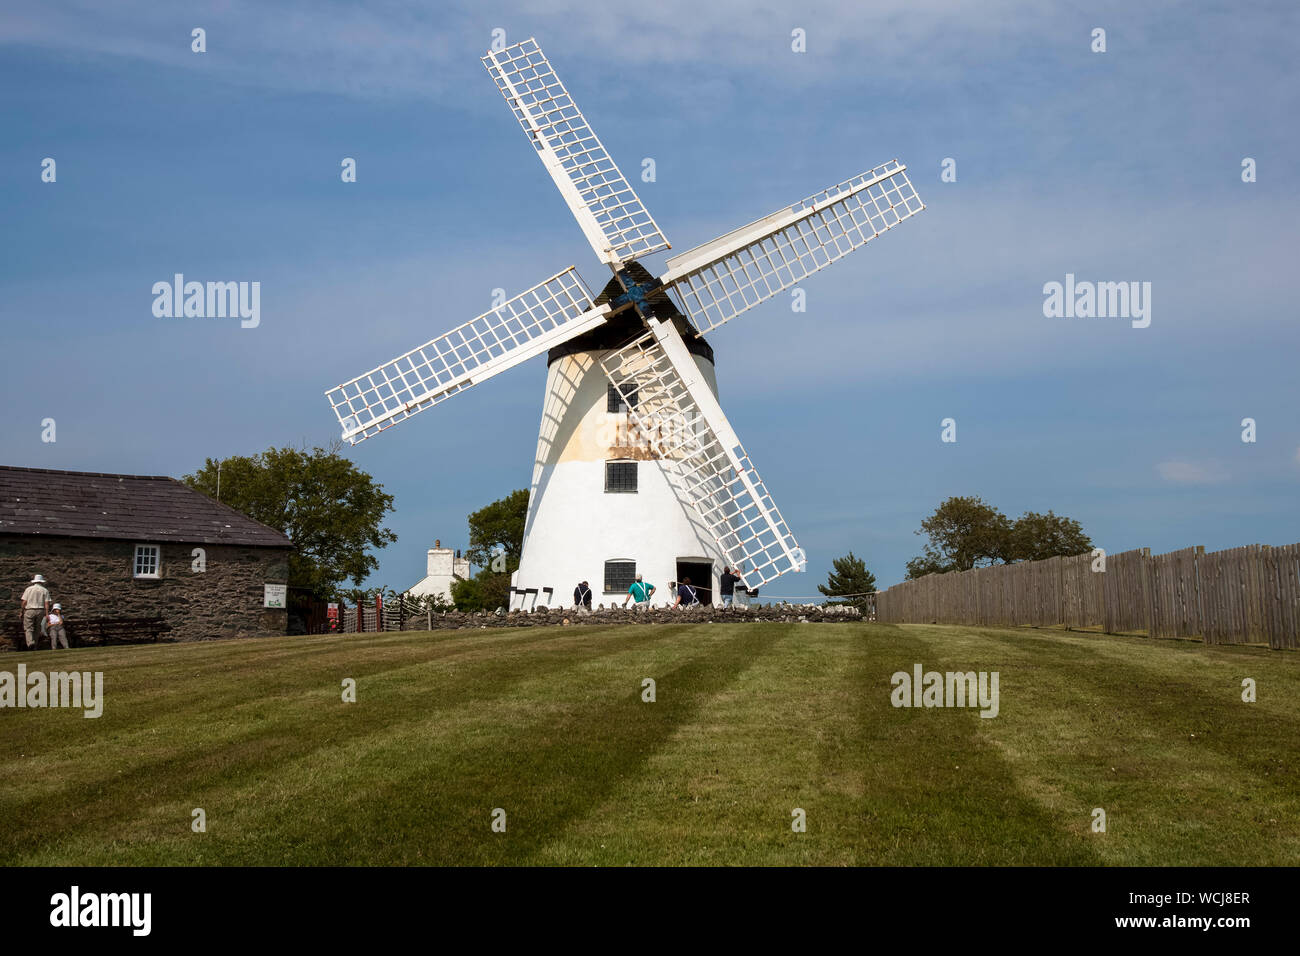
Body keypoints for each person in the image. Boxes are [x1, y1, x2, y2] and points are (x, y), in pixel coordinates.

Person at [19, 573, 51, 651]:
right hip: (40, 610)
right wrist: (47, 614)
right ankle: (35, 645)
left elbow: (24, 602)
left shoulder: (28, 589)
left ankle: (30, 643)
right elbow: (46, 603)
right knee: (37, 628)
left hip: (30, 610)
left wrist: (21, 611)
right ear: (41, 581)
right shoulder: (45, 590)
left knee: (28, 628)